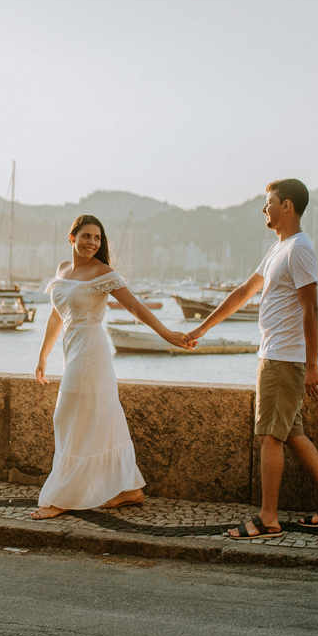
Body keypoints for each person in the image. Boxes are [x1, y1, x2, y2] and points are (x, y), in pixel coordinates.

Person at [186, 179, 318, 539]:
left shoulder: (299, 249)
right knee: (292, 434)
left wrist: (312, 365)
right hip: (275, 355)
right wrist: (203, 328)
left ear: (287, 206)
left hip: (282, 359)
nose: (265, 208)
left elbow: (311, 309)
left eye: (269, 202)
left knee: (269, 438)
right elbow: (244, 292)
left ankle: (268, 518)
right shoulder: (279, 248)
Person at [32, 214, 194, 520]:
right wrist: (43, 356)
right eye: (86, 236)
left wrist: (168, 335)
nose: (92, 242)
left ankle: (64, 496)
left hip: (91, 353)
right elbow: (56, 316)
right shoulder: (63, 270)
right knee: (105, 421)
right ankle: (129, 490)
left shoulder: (103, 272)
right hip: (72, 353)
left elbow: (134, 306)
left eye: (97, 238)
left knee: (67, 416)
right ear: (72, 237)